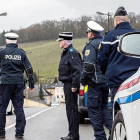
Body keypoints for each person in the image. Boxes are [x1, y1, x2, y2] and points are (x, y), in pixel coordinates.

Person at [97, 6, 140, 108]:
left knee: (118, 111)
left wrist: (106, 72)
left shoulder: (110, 36)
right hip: (136, 80)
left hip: (117, 80)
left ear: (116, 22)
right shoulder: (137, 36)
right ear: (128, 20)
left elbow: (102, 60)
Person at [80, 21, 112, 140]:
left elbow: (88, 66)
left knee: (94, 111)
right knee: (104, 108)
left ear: (91, 33)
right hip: (105, 82)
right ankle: (113, 132)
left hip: (95, 83)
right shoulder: (105, 43)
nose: (87, 34)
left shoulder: (91, 45)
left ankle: (100, 137)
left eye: (88, 32)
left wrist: (83, 80)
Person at [0, 33, 34, 138]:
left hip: (5, 83)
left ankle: (1, 132)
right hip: (18, 83)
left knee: (2, 108)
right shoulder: (21, 53)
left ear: (6, 41)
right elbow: (29, 69)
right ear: (16, 41)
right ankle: (19, 133)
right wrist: (31, 83)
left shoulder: (2, 52)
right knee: (19, 108)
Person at [56, 32, 82, 140]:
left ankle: (74, 135)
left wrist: (74, 85)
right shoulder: (65, 53)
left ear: (65, 41)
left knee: (72, 110)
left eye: (60, 41)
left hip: (71, 84)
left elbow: (77, 69)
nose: (59, 43)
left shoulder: (72, 53)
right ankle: (72, 133)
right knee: (69, 110)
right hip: (67, 84)